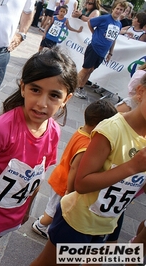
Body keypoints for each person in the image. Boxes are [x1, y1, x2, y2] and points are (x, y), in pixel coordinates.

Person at [0, 47, 76, 266]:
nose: (42, 103)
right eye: (35, 90)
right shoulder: (2, 129)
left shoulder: (53, 131)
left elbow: (37, 177)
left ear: (66, 99)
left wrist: (27, 210)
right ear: (23, 88)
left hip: (13, 215)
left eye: (54, 95)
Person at [30, 73, 146, 266]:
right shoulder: (112, 129)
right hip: (77, 220)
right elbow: (82, 183)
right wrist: (132, 167)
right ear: (140, 92)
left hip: (106, 222)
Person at [32, 100, 117, 239]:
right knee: (54, 211)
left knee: (52, 207)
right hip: (65, 183)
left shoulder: (81, 131)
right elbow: (74, 169)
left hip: (60, 175)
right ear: (100, 125)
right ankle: (41, 225)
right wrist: (69, 191)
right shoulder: (88, 144)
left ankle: (46, 220)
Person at [73, 1, 127, 99]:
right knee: (85, 69)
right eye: (117, 8)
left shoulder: (119, 24)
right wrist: (94, 33)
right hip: (94, 47)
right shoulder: (105, 18)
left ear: (123, 12)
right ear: (113, 8)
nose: (118, 11)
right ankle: (72, 86)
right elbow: (90, 22)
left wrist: (110, 52)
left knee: (90, 70)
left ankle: (80, 87)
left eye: (121, 10)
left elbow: (114, 39)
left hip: (103, 51)